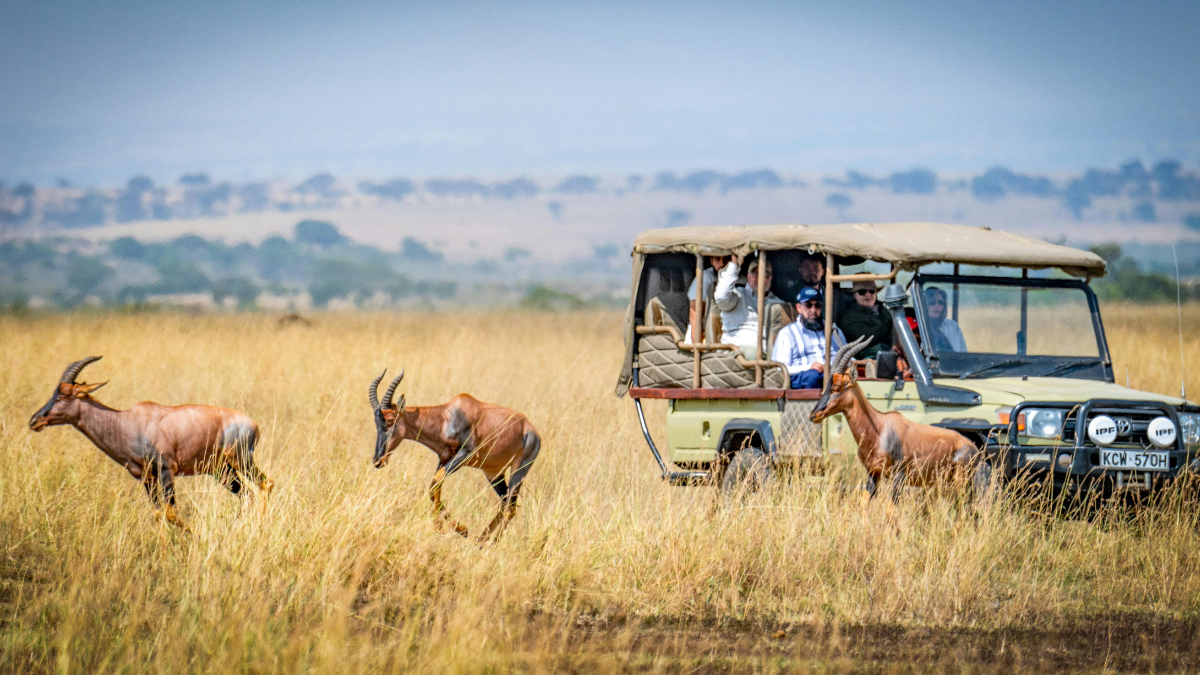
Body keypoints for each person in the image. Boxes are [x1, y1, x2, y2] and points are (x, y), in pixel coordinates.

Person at [771, 287, 846, 389]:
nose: (813, 310)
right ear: (799, 308)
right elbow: (780, 368)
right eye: (808, 305)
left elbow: (845, 355)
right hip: (804, 377)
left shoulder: (834, 331)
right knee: (813, 376)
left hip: (832, 375)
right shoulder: (787, 333)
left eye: (817, 305)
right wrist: (809, 367)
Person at [714, 253, 784, 359]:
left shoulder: (777, 303)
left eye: (766, 274)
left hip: (768, 355)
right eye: (756, 273)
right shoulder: (736, 295)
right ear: (748, 276)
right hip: (736, 352)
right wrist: (734, 265)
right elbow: (721, 297)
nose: (761, 278)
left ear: (770, 278)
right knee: (753, 354)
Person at [836, 280, 892, 359]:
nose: (868, 294)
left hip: (887, 354)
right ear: (854, 295)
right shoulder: (848, 316)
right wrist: (886, 324)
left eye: (872, 291)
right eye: (862, 292)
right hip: (863, 360)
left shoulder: (883, 311)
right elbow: (866, 337)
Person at [685, 255, 729, 342]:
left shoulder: (737, 279)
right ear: (712, 261)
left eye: (726, 259)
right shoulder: (706, 277)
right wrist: (697, 344)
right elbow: (694, 313)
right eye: (718, 259)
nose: (722, 263)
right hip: (702, 337)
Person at [923, 287, 967, 352]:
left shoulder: (953, 326)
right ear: (924, 305)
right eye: (932, 302)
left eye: (941, 302)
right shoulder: (919, 326)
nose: (937, 306)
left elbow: (964, 353)